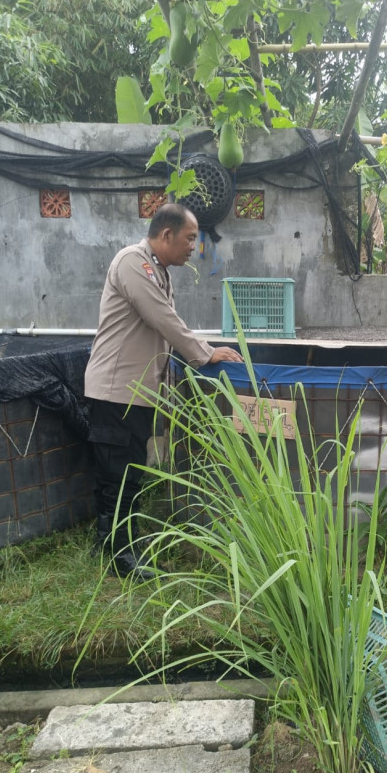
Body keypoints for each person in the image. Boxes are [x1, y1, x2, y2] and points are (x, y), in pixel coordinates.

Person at [85, 203, 243, 579]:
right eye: (190, 238)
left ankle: (108, 544)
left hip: (132, 392)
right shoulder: (132, 262)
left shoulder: (156, 269)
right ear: (166, 235)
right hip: (115, 390)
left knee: (122, 471)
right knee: (121, 475)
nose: (194, 247)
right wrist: (204, 353)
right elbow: (162, 318)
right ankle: (121, 557)